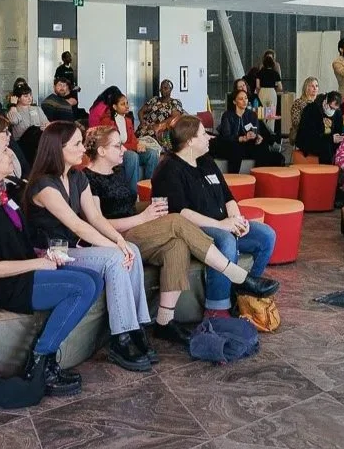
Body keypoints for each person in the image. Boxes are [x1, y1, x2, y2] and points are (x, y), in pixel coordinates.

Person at [80, 125, 276, 333]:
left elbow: (126, 207)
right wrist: (143, 217)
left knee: (177, 245)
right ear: (101, 151)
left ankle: (165, 322)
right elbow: (98, 223)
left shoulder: (117, 171)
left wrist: (147, 209)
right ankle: (239, 277)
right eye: (118, 145)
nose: (124, 149)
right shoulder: (88, 179)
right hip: (115, 238)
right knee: (176, 219)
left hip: (138, 228)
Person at [0, 130, 95, 397]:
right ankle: (40, 361)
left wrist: (42, 256)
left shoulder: (3, 193)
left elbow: (17, 243)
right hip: (6, 284)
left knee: (94, 277)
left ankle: (44, 360)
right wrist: (37, 264)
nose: (11, 155)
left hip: (24, 272)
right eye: (4, 151)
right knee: (83, 286)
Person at [23, 122, 153, 371]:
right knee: (115, 258)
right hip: (50, 254)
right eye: (77, 144)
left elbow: (95, 217)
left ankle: (137, 327)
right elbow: (77, 225)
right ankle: (120, 339)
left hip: (71, 249)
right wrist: (116, 249)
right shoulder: (44, 185)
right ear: (58, 149)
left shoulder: (77, 176)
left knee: (132, 250)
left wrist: (119, 241)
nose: (84, 148)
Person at [152, 116, 278, 322]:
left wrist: (237, 220)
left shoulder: (206, 161)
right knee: (225, 240)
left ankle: (244, 291)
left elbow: (228, 196)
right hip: (193, 230)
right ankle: (217, 309)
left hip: (222, 223)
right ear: (190, 141)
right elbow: (180, 213)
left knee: (266, 235)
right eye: (203, 134)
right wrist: (221, 225)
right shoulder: (169, 169)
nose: (209, 137)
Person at [89, 87, 158, 182]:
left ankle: (148, 186)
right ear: (114, 107)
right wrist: (134, 147)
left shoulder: (128, 121)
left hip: (130, 149)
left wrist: (138, 144)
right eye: (122, 104)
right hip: (118, 151)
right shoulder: (108, 121)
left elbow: (133, 139)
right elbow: (115, 144)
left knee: (152, 153)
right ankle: (133, 191)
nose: (127, 106)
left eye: (127, 103)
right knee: (132, 156)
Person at [216, 88, 284, 172]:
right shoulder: (228, 115)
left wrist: (257, 137)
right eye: (241, 99)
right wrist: (242, 138)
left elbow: (256, 131)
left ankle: (259, 173)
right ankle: (233, 176)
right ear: (234, 102)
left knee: (264, 147)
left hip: (247, 144)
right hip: (232, 144)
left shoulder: (251, 114)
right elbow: (226, 136)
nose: (244, 101)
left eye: (246, 98)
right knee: (236, 149)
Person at [294, 91, 344, 164]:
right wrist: (330, 138)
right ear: (326, 102)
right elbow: (309, 134)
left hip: (329, 140)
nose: (333, 111)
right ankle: (327, 170)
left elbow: (339, 130)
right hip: (310, 140)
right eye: (331, 108)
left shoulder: (337, 112)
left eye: (335, 109)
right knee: (326, 146)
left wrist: (340, 137)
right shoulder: (312, 109)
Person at [139, 79, 185, 146]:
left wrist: (159, 125)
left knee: (147, 142)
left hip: (160, 130)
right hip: (146, 127)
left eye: (165, 88)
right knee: (137, 141)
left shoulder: (174, 102)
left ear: (171, 90)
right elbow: (141, 111)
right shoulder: (154, 100)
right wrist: (142, 122)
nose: (163, 90)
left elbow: (175, 117)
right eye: (161, 88)